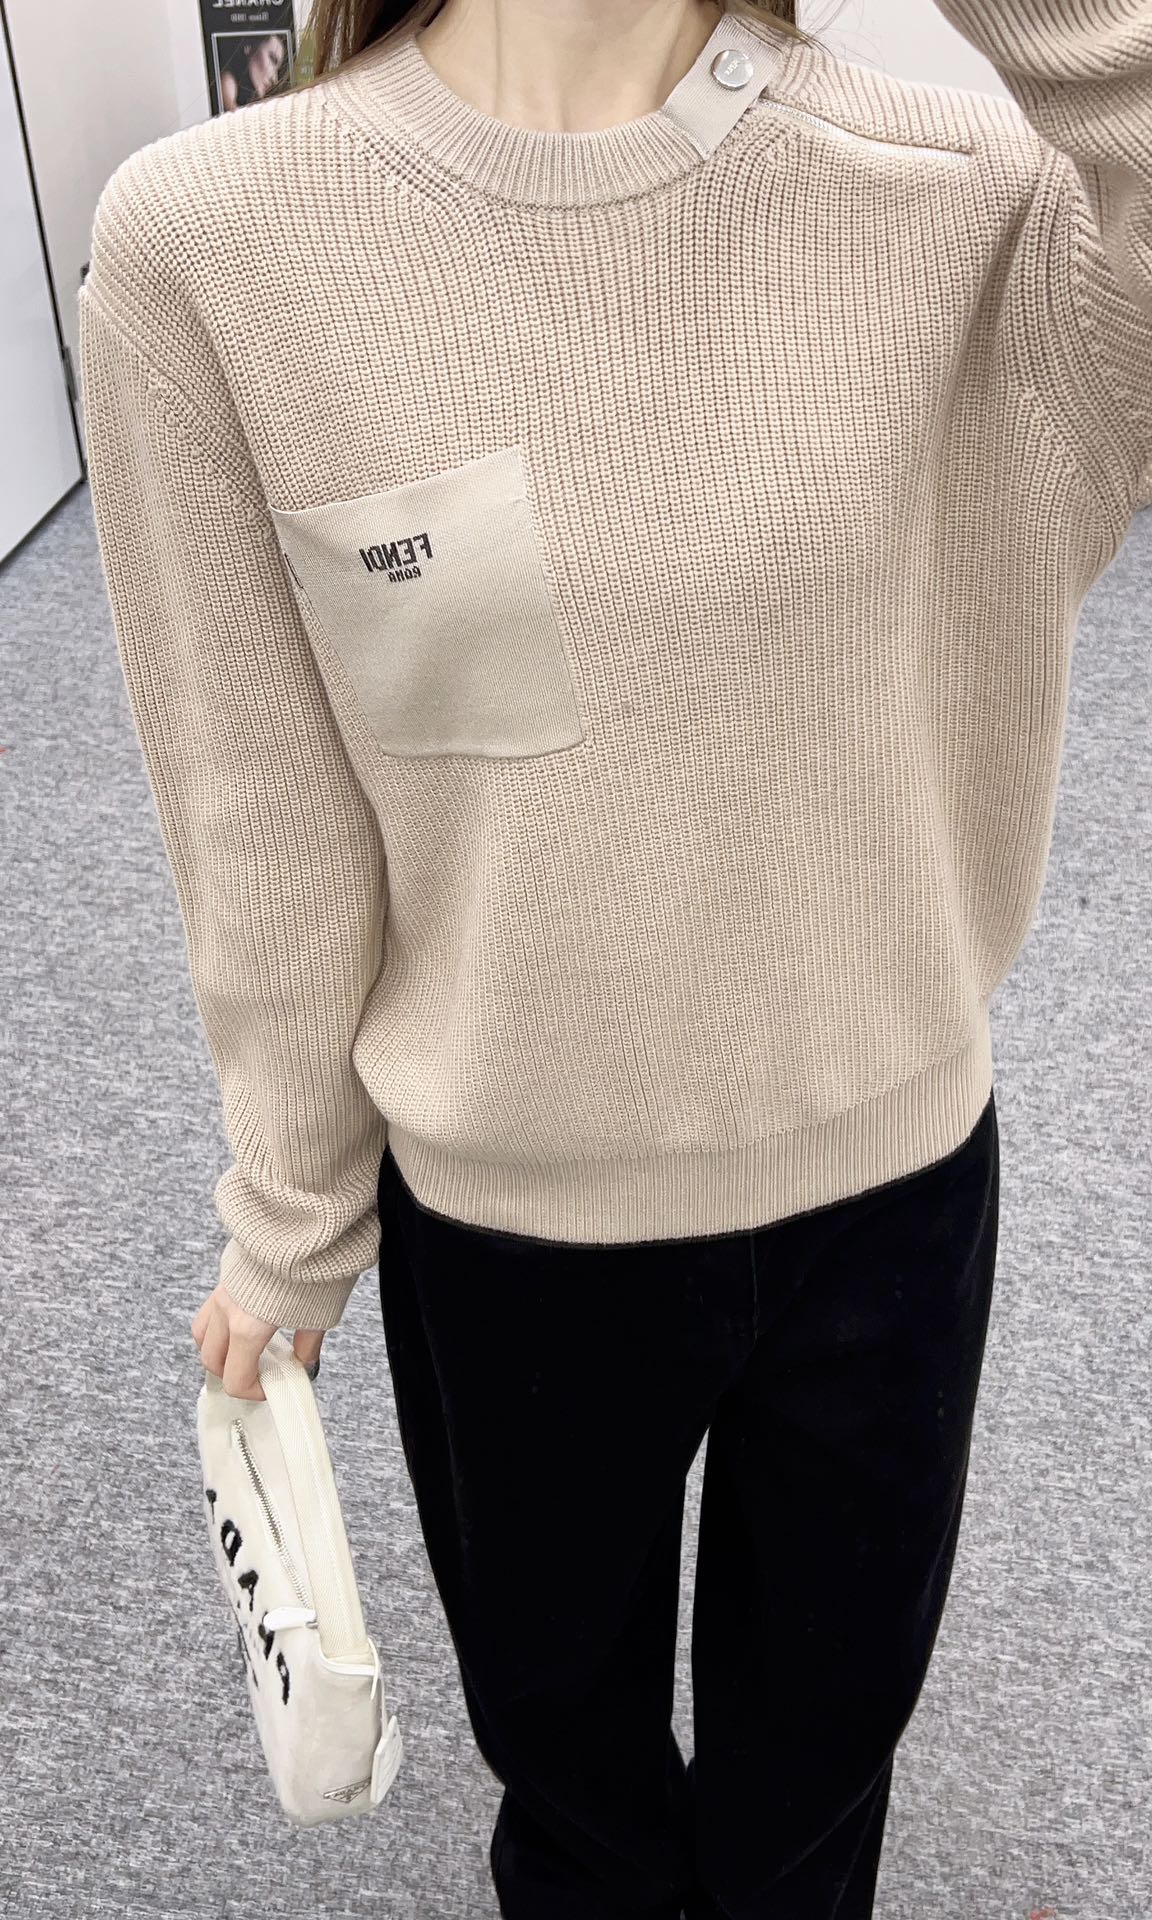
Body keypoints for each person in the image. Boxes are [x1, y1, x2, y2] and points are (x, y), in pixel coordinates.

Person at [79, 0, 1152, 1913]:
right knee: (573, 1789)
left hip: (889, 1191)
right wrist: (292, 1206)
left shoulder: (960, 202)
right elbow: (260, 797)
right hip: (511, 1225)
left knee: (813, 1792)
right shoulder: (218, 243)